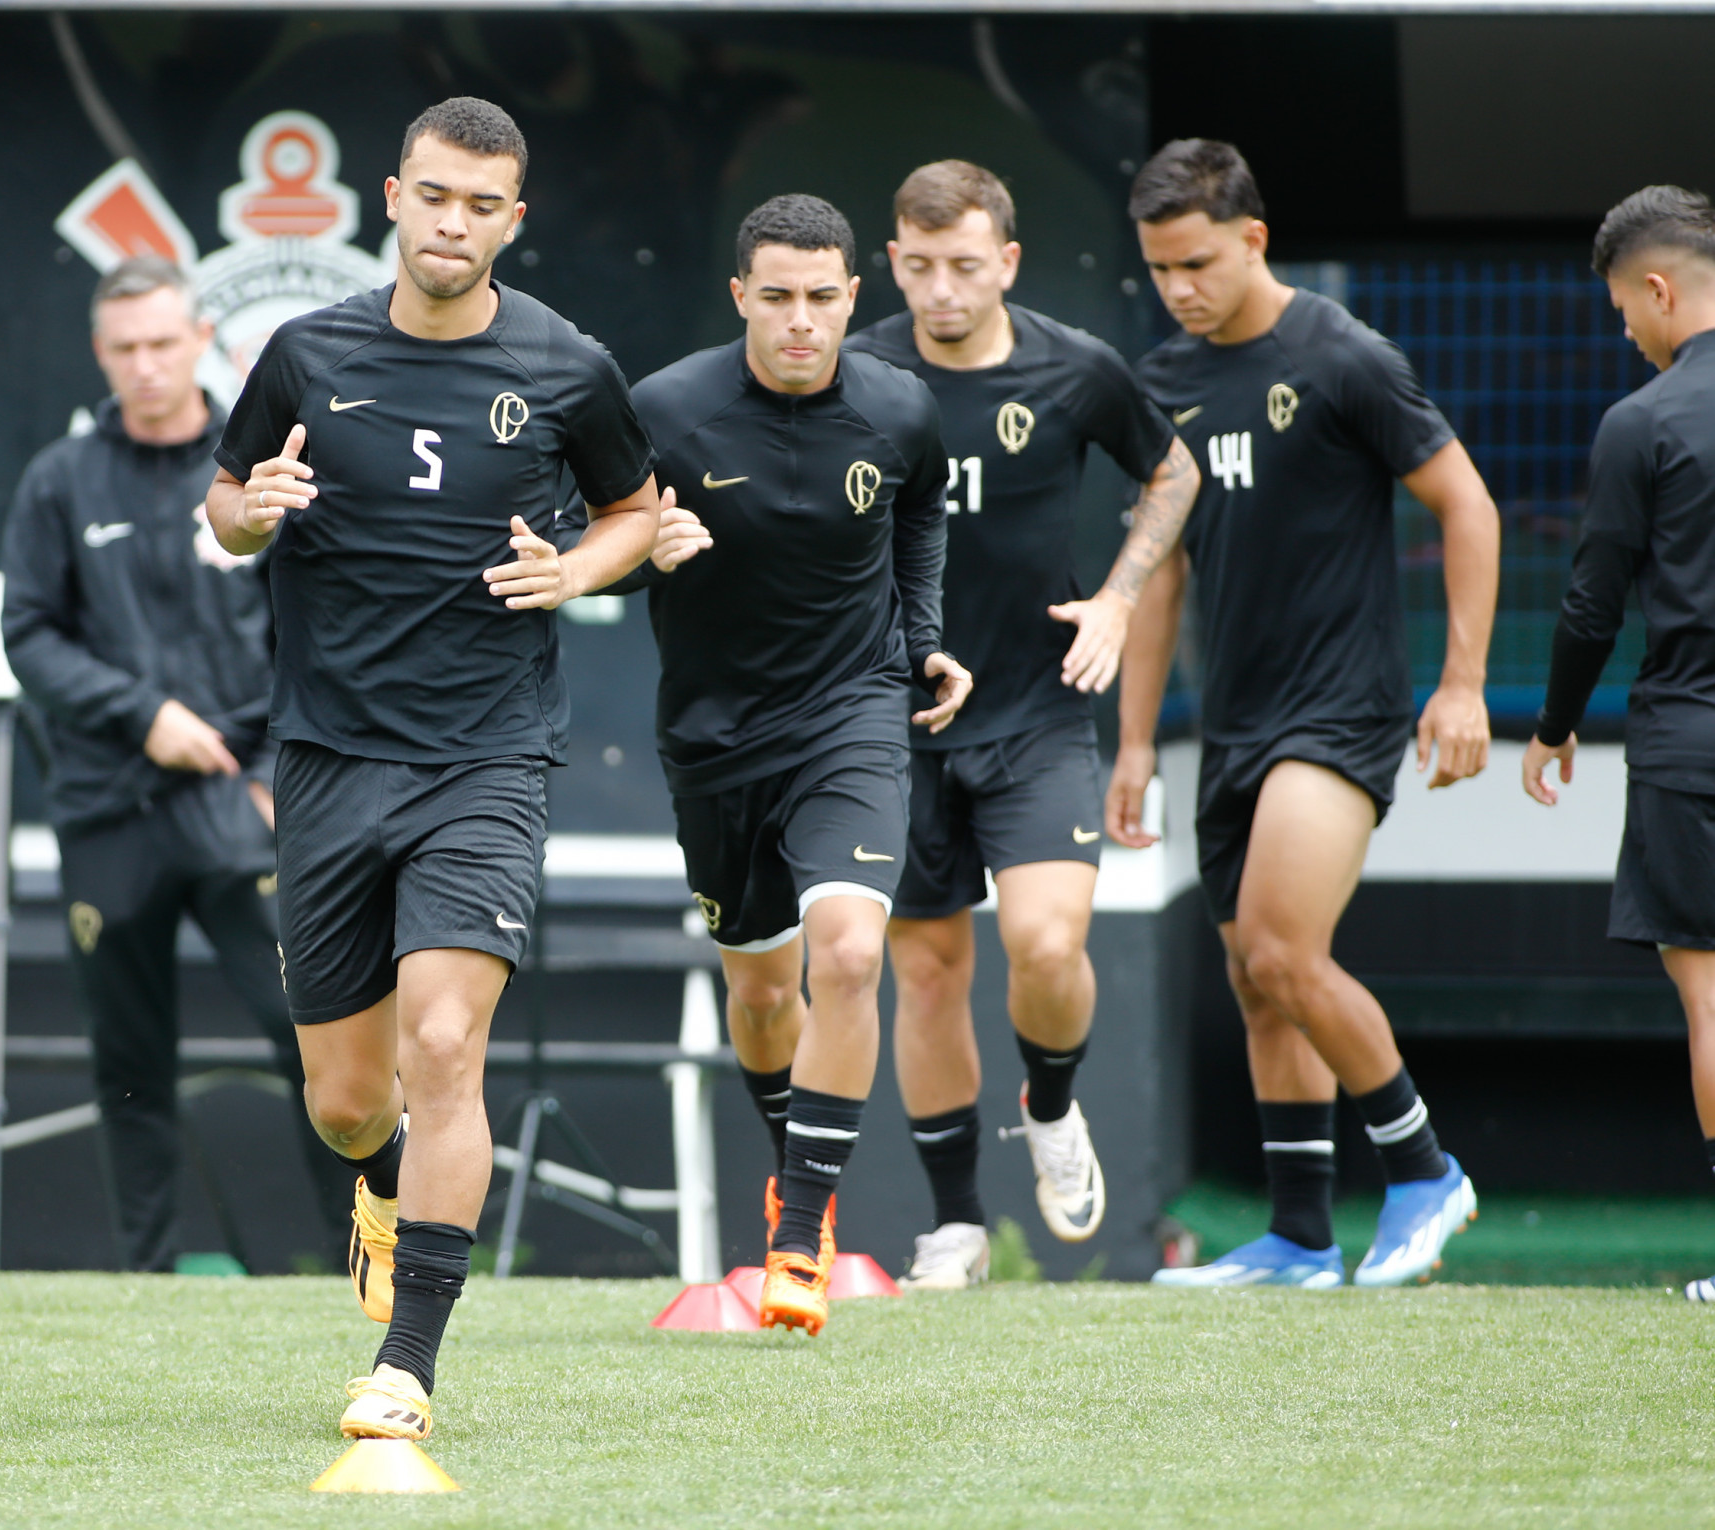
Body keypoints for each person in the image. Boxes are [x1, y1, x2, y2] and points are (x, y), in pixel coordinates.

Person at [207, 98, 658, 1438]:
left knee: (446, 1041)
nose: (452, 223)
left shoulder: (568, 367)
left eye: (481, 205)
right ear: (391, 196)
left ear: (511, 219)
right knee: (348, 1101)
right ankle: (382, 1178)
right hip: (330, 761)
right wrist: (254, 513)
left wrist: (572, 569)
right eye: (434, 196)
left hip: (486, 758)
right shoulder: (303, 352)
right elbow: (224, 506)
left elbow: (638, 510)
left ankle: (405, 1363)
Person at [1113, 140, 1499, 1288]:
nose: (1179, 288)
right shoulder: (1163, 380)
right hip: (1229, 720)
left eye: (1196, 262)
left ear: (1252, 239)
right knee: (1253, 978)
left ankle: (1425, 1171)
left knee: (1284, 951)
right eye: (1158, 269)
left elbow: (1467, 505)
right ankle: (1297, 1236)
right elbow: (1159, 569)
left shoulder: (1343, 357)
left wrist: (1464, 682)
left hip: (1339, 710)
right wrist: (1134, 742)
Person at [604, 193, 967, 1334]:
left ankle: (800, 1231)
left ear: (854, 297)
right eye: (777, 298)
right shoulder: (664, 409)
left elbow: (919, 517)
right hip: (712, 739)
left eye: (822, 298)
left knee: (851, 956)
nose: (800, 321)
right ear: (740, 298)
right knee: (761, 993)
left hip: (853, 717)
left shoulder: (902, 409)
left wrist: (923, 642)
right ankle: (787, 1172)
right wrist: (640, 556)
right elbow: (589, 541)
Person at [848, 160, 1198, 1290]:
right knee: (931, 972)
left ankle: (1050, 1104)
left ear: (1005, 262)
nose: (940, 290)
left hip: (1038, 712)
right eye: (917, 267)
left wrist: (1119, 594)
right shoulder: (856, 373)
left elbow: (1174, 472)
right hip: (894, 724)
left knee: (1046, 945)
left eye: (963, 266)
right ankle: (956, 1222)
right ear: (890, 263)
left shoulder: (1076, 367)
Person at [1, 256, 356, 1274]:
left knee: (314, 1042)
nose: (146, 366)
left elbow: (320, 634)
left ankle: (357, 1266)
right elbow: (27, 632)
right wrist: (140, 712)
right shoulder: (60, 479)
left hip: (239, 800)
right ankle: (144, 1278)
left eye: (163, 343)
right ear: (98, 354)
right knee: (128, 1065)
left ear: (203, 339)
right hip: (109, 807)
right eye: (124, 349)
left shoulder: (260, 468)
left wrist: (278, 774)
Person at [1521, 187, 1715, 1306]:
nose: (1624, 336)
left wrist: (1551, 727)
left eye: (1620, 311)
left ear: (1656, 287)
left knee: (1710, 1005)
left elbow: (1591, 606)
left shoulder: (1640, 422)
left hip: (1689, 742)